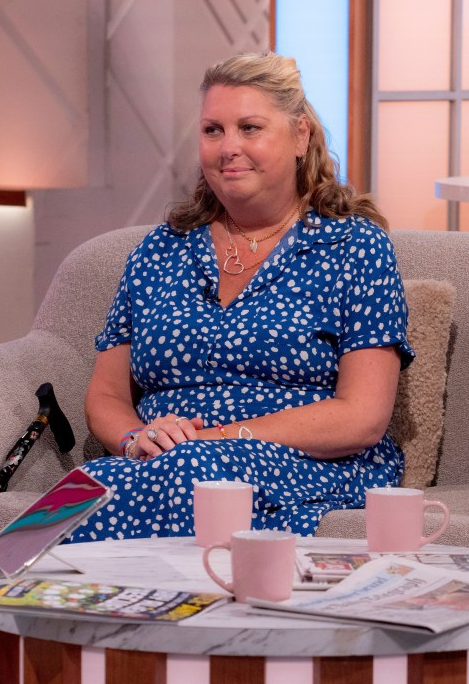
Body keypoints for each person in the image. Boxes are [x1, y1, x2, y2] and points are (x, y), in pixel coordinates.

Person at [70, 52, 413, 541]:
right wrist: (134, 438)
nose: (229, 147)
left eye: (250, 128)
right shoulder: (158, 251)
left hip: (302, 462)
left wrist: (212, 441)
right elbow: (106, 393)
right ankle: (16, 603)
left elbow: (361, 418)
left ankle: (69, 600)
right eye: (213, 130)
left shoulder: (355, 247)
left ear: (300, 136)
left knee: (192, 479)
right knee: (74, 495)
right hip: (159, 463)